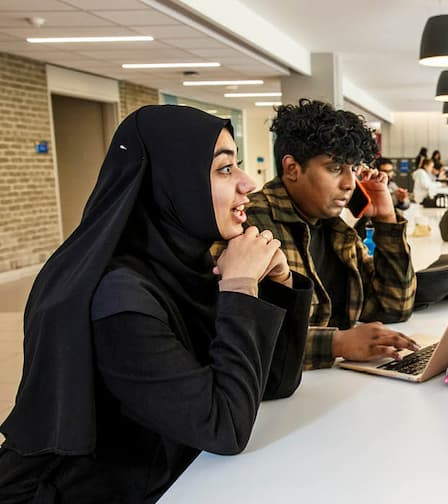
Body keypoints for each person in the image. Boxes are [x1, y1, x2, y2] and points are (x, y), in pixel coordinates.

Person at [0, 105, 314, 502]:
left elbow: (275, 382)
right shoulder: (119, 299)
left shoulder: (190, 269)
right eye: (224, 169)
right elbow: (224, 429)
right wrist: (238, 287)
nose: (247, 183)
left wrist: (278, 283)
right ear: (171, 183)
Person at [240, 99, 418, 370]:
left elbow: (394, 305)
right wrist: (339, 343)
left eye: (353, 169)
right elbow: (248, 337)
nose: (349, 183)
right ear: (292, 168)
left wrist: (386, 219)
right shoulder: (251, 224)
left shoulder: (335, 227)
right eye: (335, 168)